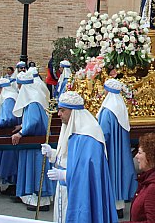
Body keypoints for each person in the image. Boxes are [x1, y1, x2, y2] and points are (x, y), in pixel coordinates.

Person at [41, 91, 116, 223]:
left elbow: (87, 172)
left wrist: (65, 175)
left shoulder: (88, 137)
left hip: (79, 192)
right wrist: (53, 154)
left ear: (73, 111)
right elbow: (69, 157)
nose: (59, 114)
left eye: (62, 110)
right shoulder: (70, 128)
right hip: (64, 189)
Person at [11, 71, 54, 211]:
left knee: (36, 170)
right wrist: (22, 126)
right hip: (35, 140)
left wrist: (21, 132)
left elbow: (34, 121)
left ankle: (40, 201)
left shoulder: (33, 101)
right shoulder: (35, 97)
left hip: (35, 142)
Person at [97, 79, 137, 218]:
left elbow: (104, 133)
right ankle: (119, 205)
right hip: (120, 147)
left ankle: (112, 206)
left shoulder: (108, 110)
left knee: (111, 173)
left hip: (110, 149)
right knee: (119, 171)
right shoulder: (120, 106)